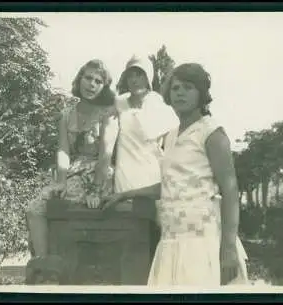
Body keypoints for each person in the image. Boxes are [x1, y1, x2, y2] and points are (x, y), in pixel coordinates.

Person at [101, 63, 249, 286]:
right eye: (175, 88)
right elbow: (171, 185)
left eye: (188, 87)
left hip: (203, 243)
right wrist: (125, 194)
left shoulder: (211, 132)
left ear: (201, 93)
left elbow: (230, 190)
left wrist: (227, 247)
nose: (180, 93)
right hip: (170, 240)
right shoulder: (170, 136)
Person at [25, 59, 118, 259]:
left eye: (98, 81)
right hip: (74, 171)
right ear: (79, 79)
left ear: (104, 87)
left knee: (69, 211)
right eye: (88, 78)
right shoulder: (67, 114)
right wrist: (61, 180)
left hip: (99, 174)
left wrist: (96, 189)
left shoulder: (108, 114)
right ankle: (43, 264)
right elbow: (63, 151)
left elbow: (106, 154)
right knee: (35, 208)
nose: (91, 84)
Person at [110, 55, 180, 263]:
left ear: (148, 78)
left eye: (139, 74)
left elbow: (171, 143)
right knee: (130, 237)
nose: (135, 80)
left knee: (158, 233)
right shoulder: (119, 102)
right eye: (130, 74)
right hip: (124, 174)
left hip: (150, 174)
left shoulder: (158, 105)